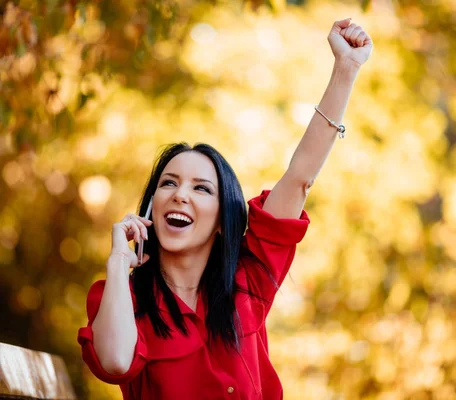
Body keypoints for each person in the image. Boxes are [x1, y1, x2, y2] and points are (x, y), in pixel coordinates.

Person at [78, 18, 373, 399]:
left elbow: (300, 176)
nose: (180, 194)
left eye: (201, 188)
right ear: (151, 207)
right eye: (168, 183)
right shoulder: (120, 297)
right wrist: (120, 259)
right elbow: (116, 362)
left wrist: (346, 68)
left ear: (221, 220)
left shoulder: (249, 281)